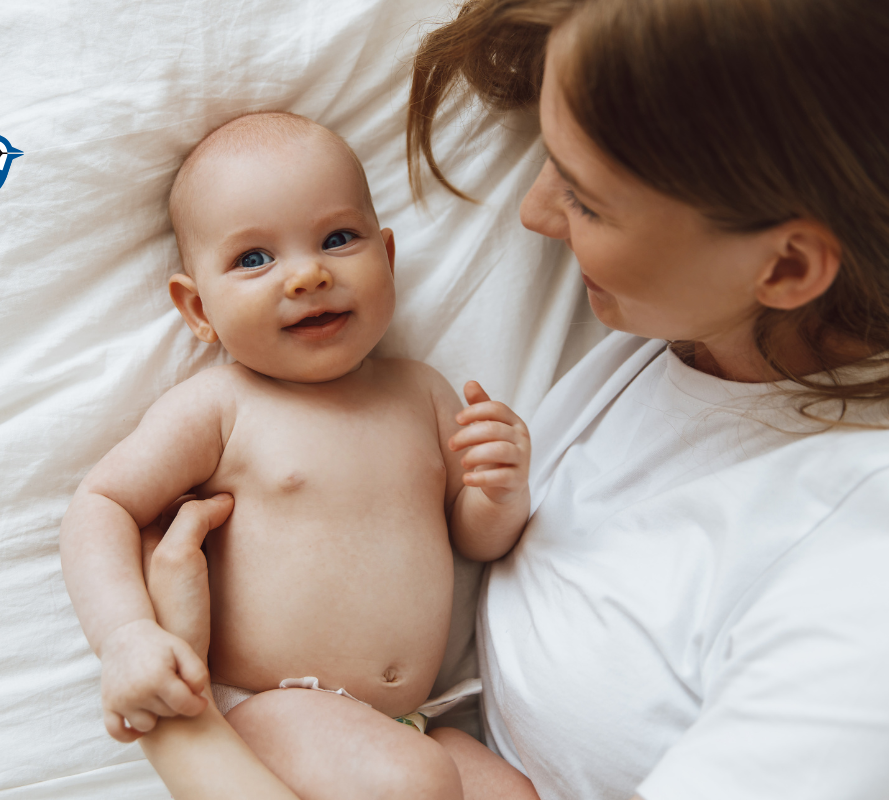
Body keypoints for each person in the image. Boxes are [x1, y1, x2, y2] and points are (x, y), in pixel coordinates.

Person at [135, 0, 889, 798]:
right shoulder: (686, 334)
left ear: (787, 267)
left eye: (587, 200)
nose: (535, 214)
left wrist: (183, 728)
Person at [58, 111, 537, 800]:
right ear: (199, 310)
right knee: (414, 782)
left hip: (411, 722)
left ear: (388, 258)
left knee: (508, 792)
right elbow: (102, 503)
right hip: (276, 711)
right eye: (254, 259)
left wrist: (498, 491)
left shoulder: (422, 393)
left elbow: (475, 540)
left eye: (338, 239)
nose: (308, 274)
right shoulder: (222, 406)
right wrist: (126, 636)